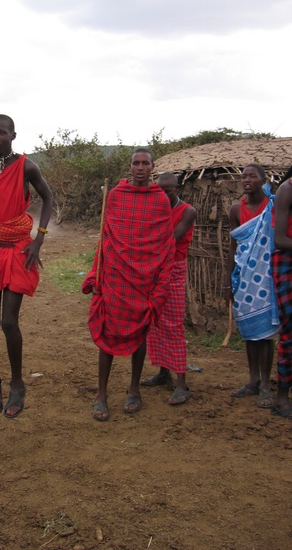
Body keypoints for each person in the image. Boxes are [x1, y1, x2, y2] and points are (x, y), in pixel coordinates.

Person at [0, 114, 53, 418]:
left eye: (1, 133)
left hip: (18, 250)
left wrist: (38, 239)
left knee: (8, 322)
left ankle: (17, 384)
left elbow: (48, 197)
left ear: (13, 136)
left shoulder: (27, 166)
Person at [82, 149, 175, 421]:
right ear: (130, 166)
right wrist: (97, 272)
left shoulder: (160, 200)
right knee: (107, 331)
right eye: (136, 163)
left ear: (153, 167)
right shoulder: (116, 196)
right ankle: (101, 394)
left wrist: (158, 278)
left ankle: (134, 390)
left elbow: (165, 243)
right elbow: (106, 236)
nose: (140, 168)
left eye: (145, 163)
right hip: (116, 274)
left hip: (145, 277)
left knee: (141, 332)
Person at [223, 164, 278, 409]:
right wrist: (228, 280)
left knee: (265, 333)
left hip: (268, 276)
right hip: (245, 277)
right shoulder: (236, 210)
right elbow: (234, 247)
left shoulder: (273, 207)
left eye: (252, 176)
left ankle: (266, 383)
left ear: (263, 180)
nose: (246, 180)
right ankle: (253, 380)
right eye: (243, 176)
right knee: (248, 330)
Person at [141, 172, 196, 404]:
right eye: (160, 190)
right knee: (155, 322)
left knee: (173, 325)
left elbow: (170, 240)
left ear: (178, 188)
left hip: (172, 269)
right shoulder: (155, 209)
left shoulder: (187, 211)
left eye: (168, 191)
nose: (164, 194)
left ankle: (181, 383)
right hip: (154, 268)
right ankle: (163, 372)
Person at [270, 166, 292, 419]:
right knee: (290, 330)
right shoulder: (287, 190)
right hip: (287, 262)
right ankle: (281, 396)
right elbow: (279, 239)